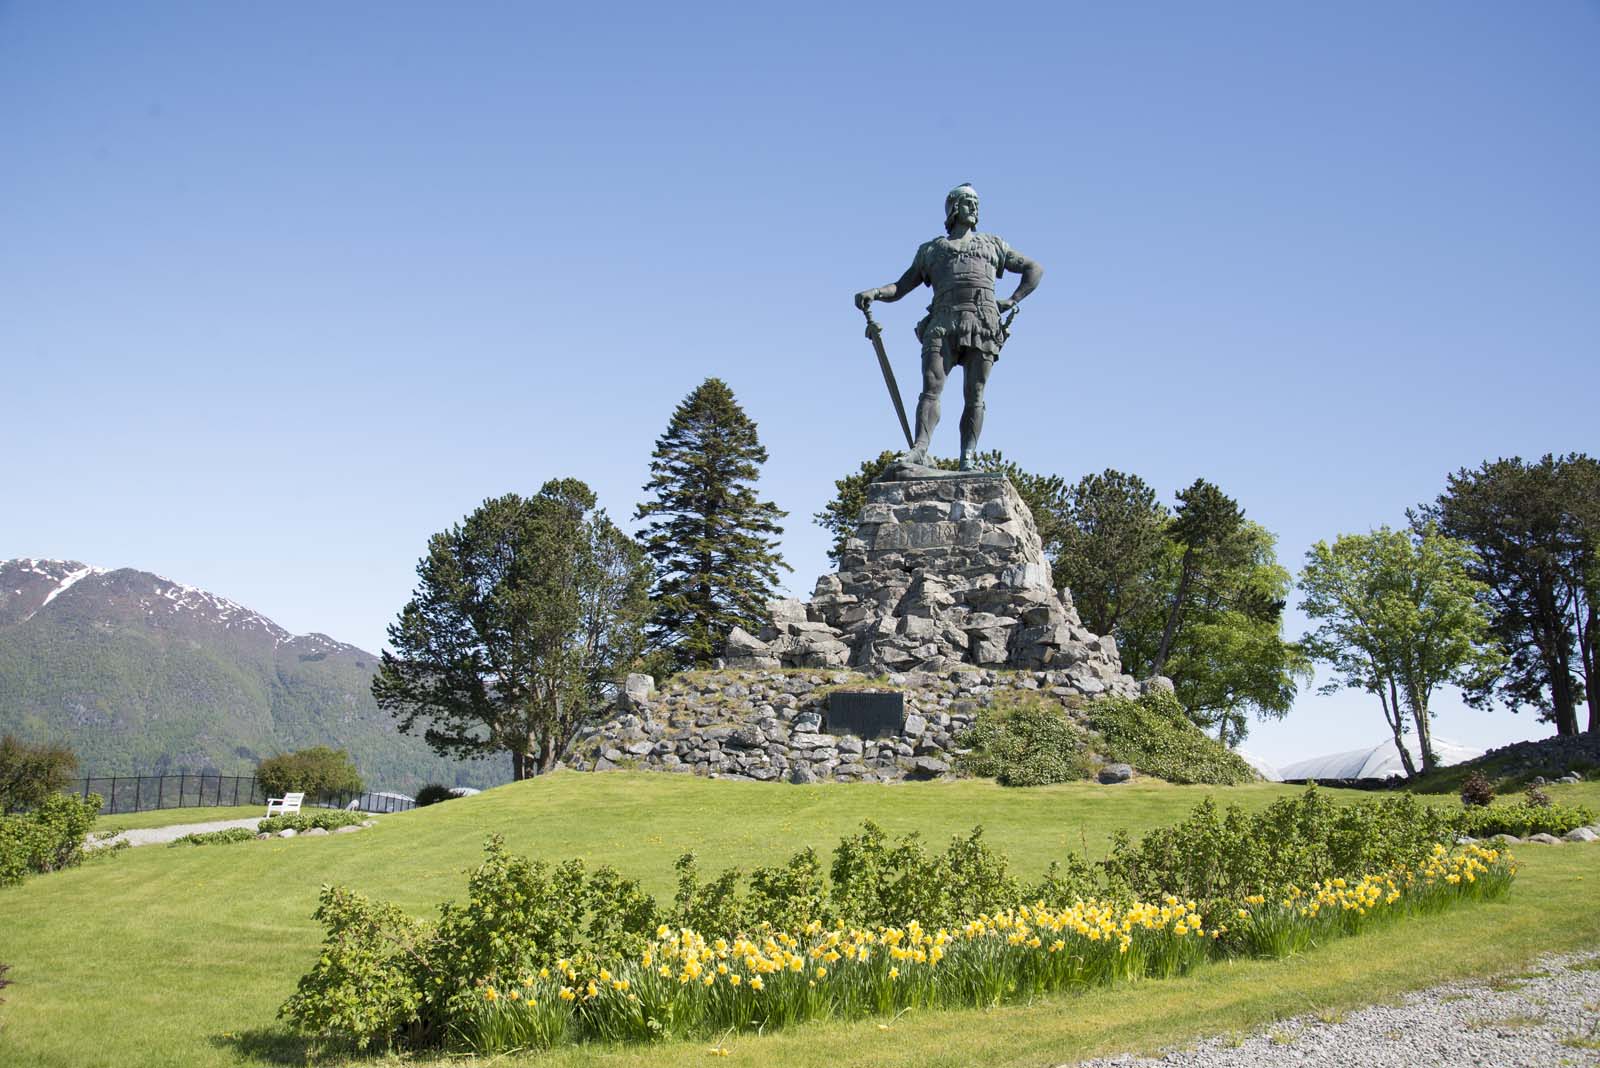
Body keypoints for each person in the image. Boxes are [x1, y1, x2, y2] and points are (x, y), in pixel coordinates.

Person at [854, 183, 1043, 469]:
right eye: (968, 201)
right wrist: (876, 293)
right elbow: (902, 286)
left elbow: (1034, 268)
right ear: (953, 207)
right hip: (942, 321)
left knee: (975, 393)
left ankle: (967, 457)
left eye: (976, 202)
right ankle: (920, 448)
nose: (974, 207)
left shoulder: (993, 244)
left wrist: (1012, 300)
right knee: (931, 387)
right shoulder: (931, 250)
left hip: (983, 322)